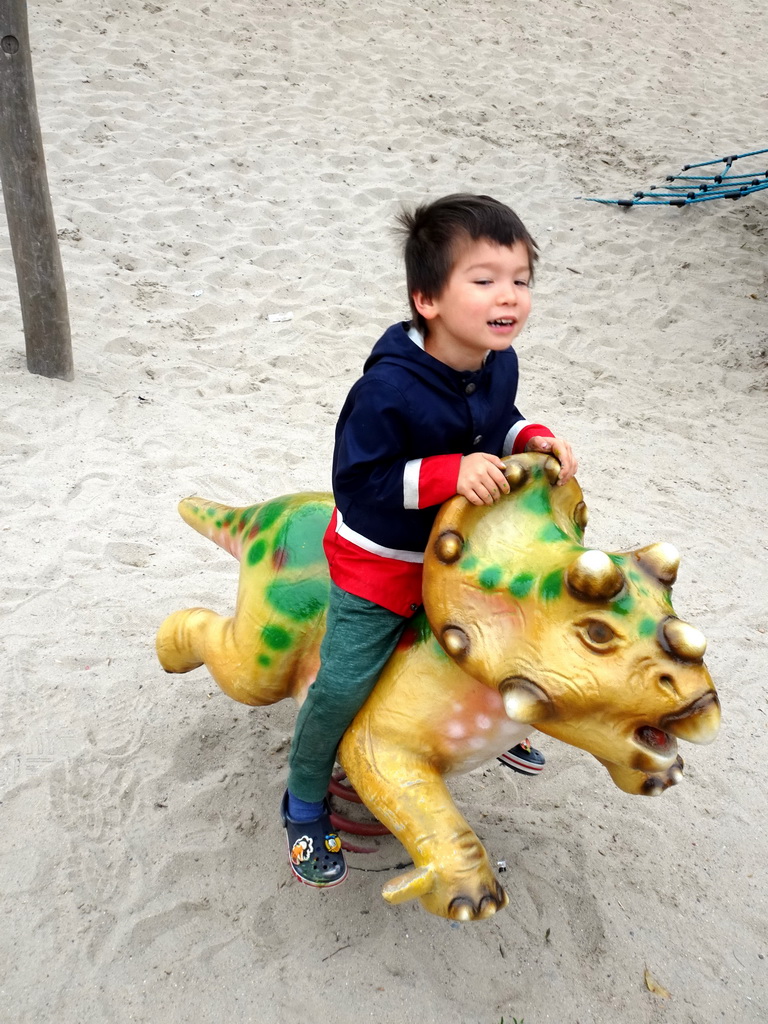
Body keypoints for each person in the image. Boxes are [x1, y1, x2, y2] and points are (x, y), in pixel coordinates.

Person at [281, 193, 578, 887]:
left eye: (521, 279)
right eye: (484, 280)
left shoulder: (496, 361)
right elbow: (362, 483)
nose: (508, 295)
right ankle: (302, 796)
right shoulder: (386, 390)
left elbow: (494, 421)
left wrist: (527, 438)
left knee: (508, 628)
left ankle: (494, 728)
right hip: (383, 561)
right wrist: (451, 474)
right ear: (428, 299)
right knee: (347, 682)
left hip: (461, 558)